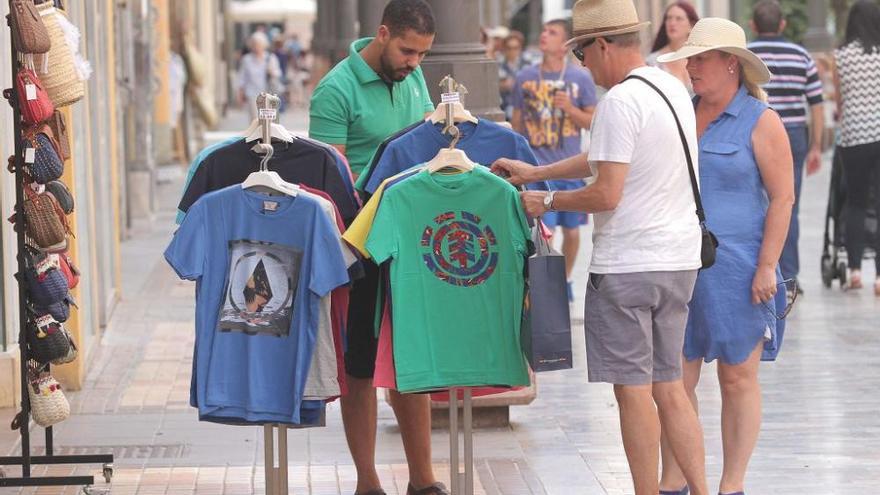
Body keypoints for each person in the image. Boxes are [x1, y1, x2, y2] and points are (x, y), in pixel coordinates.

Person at [492, 1, 709, 494]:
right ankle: (701, 488)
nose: (582, 66)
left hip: (629, 266)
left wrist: (543, 200)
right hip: (679, 261)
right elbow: (609, 155)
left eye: (583, 54)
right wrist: (540, 170)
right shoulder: (672, 88)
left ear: (603, 44)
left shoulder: (618, 102)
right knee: (671, 388)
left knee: (633, 395)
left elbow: (606, 192)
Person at [309, 3, 448, 495]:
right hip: (361, 244)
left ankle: (423, 479)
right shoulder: (335, 90)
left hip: (412, 240)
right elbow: (331, 179)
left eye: (422, 54)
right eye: (408, 50)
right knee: (362, 366)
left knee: (412, 358)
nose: (415, 62)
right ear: (382, 33)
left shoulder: (413, 78)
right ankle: (367, 481)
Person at [655, 18, 795, 495]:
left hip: (739, 269)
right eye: (689, 58)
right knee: (674, 383)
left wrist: (766, 267)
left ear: (731, 64)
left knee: (737, 380)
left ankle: (731, 485)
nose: (691, 66)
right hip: (677, 265)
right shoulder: (679, 114)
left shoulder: (762, 120)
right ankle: (674, 482)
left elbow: (783, 199)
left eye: (700, 58)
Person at [510, 19, 596, 301]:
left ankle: (567, 278)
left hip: (569, 166)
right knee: (544, 232)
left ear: (565, 44)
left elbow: (591, 121)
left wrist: (569, 108)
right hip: (537, 167)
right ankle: (546, 283)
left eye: (552, 32)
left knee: (571, 230)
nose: (544, 35)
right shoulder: (525, 77)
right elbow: (518, 122)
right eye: (544, 30)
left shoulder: (579, 78)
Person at [748, 0, 824, 296]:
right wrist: (817, 145)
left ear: (753, 25)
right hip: (793, 134)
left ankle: (761, 267)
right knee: (787, 203)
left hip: (754, 129)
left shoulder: (748, 56)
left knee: (757, 202)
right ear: (782, 25)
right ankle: (787, 276)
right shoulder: (802, 55)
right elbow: (816, 104)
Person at [833, 0, 880, 294]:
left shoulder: (840, 57)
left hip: (854, 137)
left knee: (856, 203)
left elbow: (838, 101)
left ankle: (854, 271)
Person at [646, 2, 699, 90]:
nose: (672, 23)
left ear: (692, 26)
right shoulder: (652, 62)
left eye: (679, 19)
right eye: (669, 18)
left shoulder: (700, 57)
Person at [236, 31, 283, 118]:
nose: (256, 47)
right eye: (254, 44)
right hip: (252, 94)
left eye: (258, 44)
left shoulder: (270, 58)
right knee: (255, 120)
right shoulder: (247, 60)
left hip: (268, 94)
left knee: (268, 121)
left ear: (264, 45)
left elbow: (278, 74)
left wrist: (271, 72)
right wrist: (240, 93)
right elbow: (242, 78)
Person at [498, 30, 528, 121]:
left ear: (521, 48)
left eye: (515, 48)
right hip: (504, 112)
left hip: (524, 112)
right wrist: (501, 86)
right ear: (504, 48)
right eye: (509, 48)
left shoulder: (527, 64)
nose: (512, 51)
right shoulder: (497, 65)